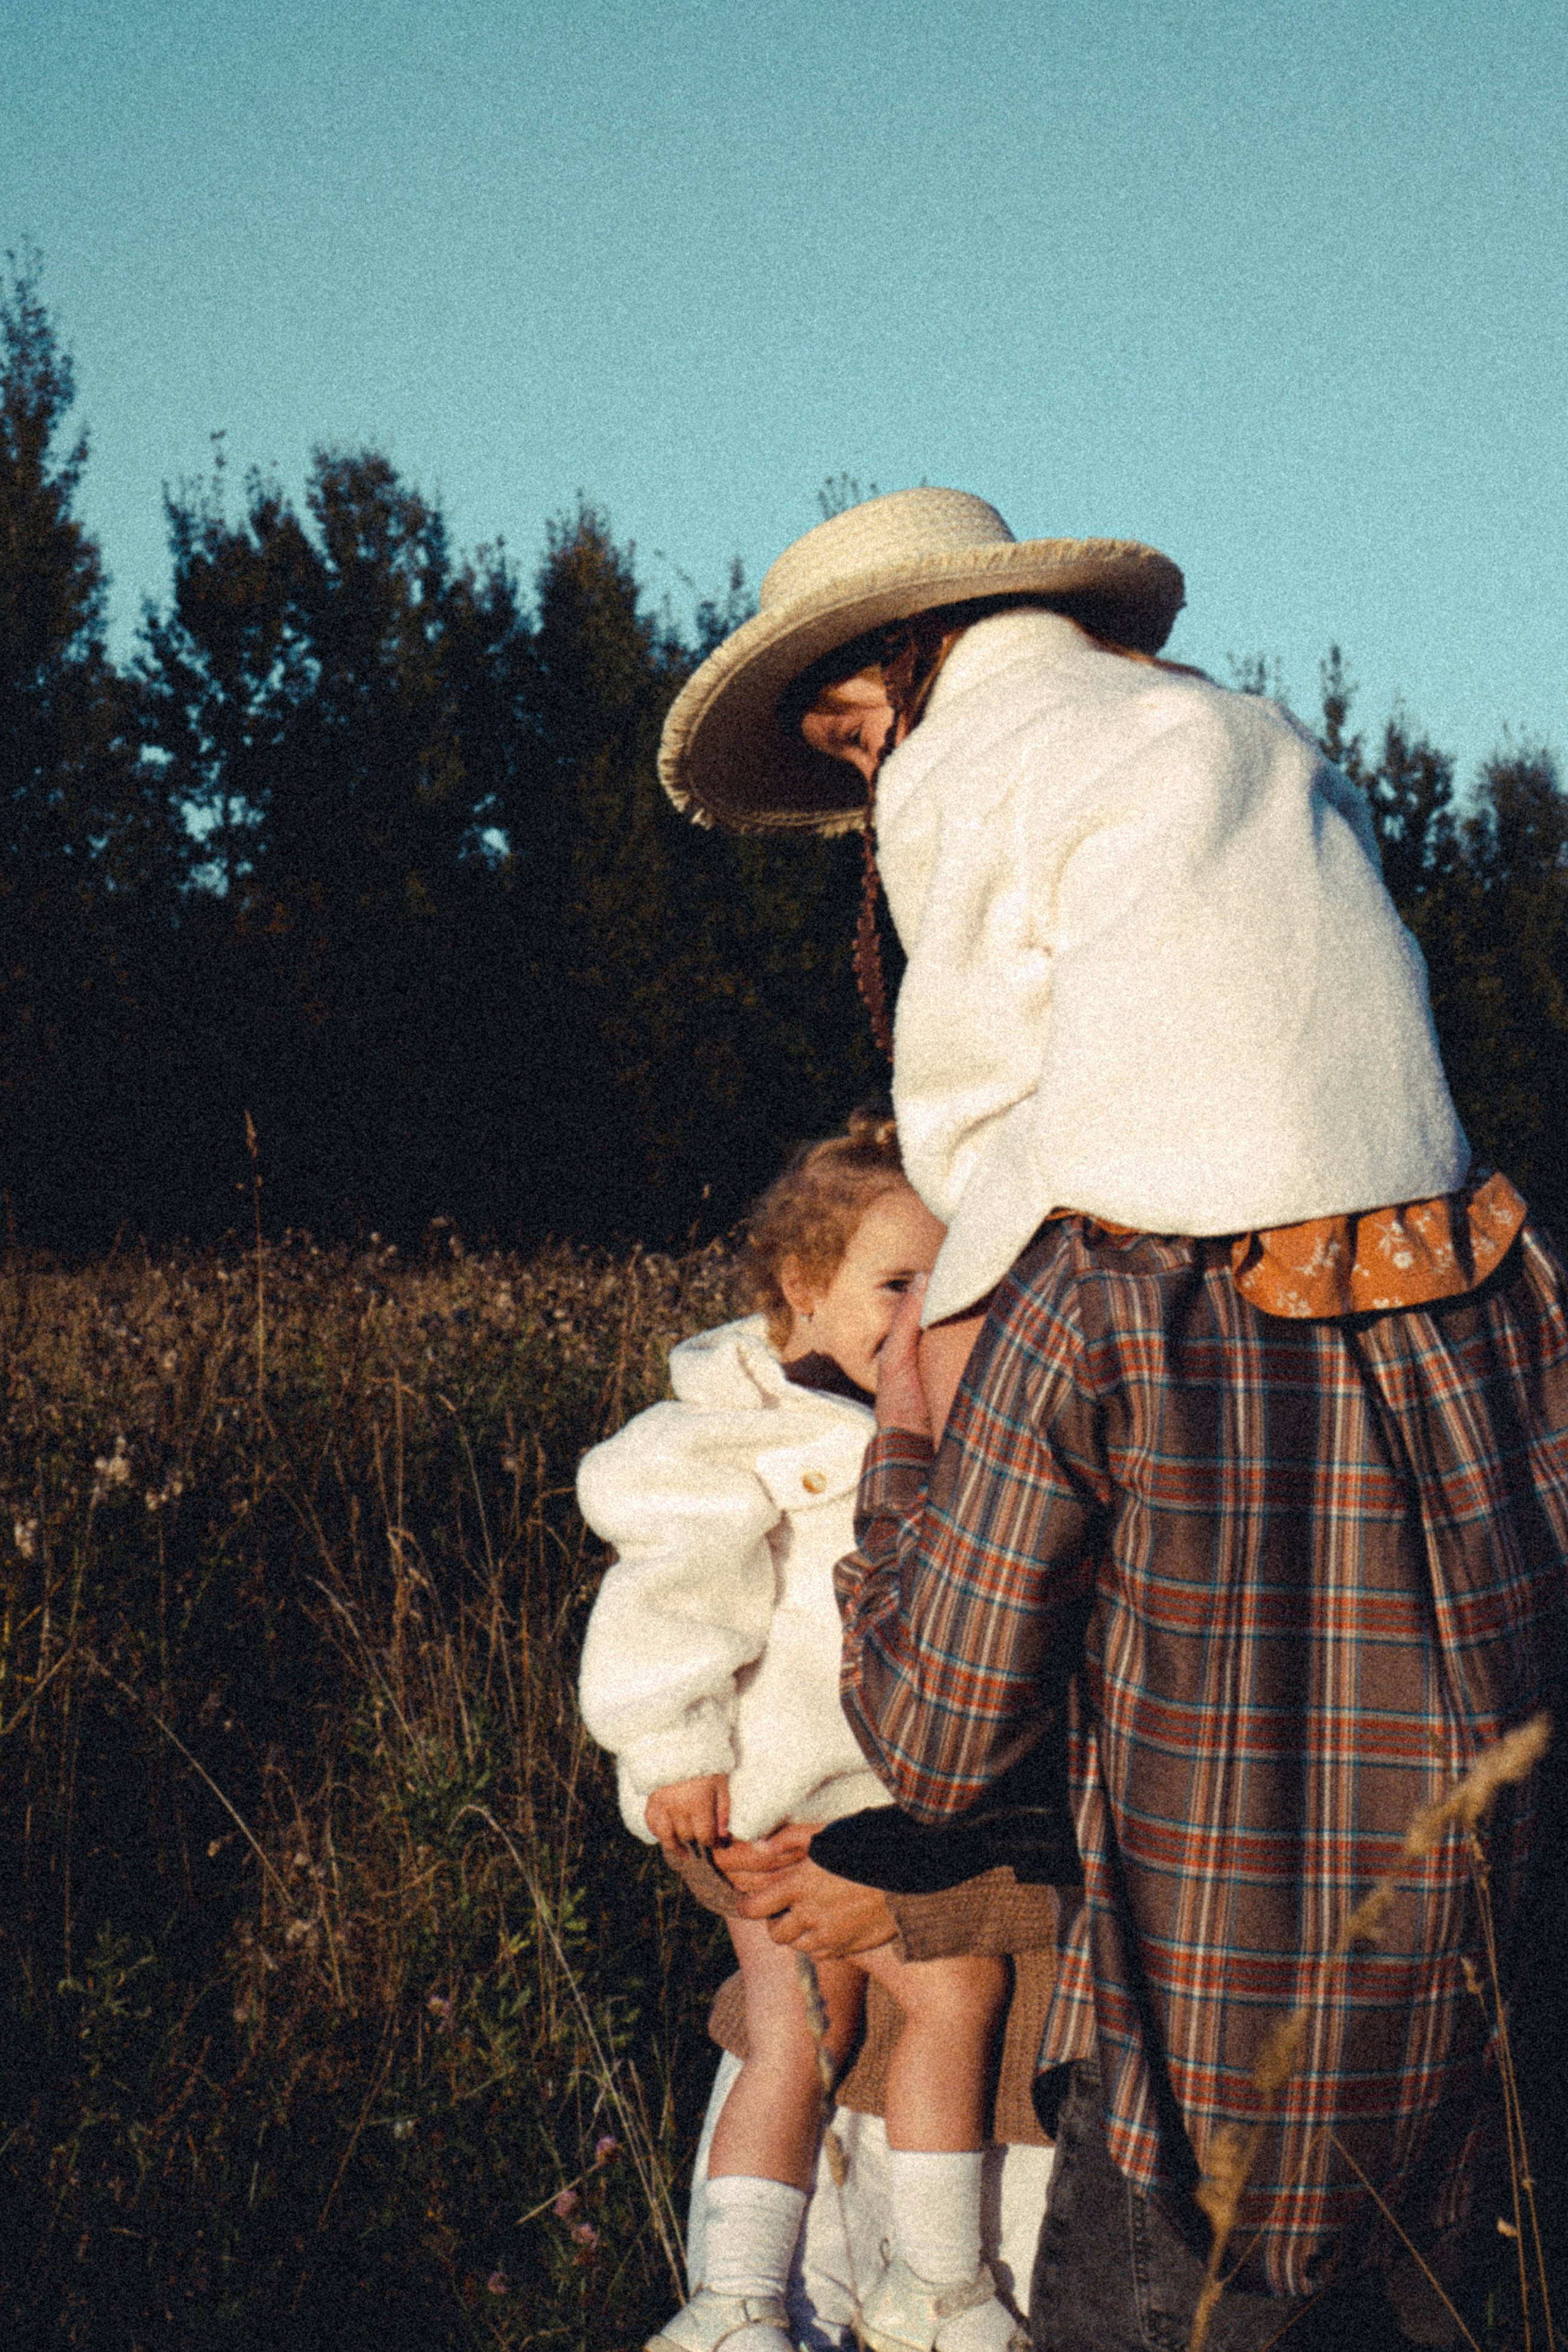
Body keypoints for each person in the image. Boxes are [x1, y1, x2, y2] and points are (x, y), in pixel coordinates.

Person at [655, 488, 1568, 2351]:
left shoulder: (1088, 1315)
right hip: (1474, 2137)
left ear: (924, 707)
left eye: (858, 730)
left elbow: (940, 1728)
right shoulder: (1516, 1287)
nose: (857, 771)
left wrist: (916, 1417)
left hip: (1190, 2173)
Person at [577, 1109, 1054, 2352]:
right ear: (801, 1285)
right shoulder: (731, 1432)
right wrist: (671, 1746)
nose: (924, 1314)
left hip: (878, 1809)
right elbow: (667, 1593)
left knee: (878, 2010)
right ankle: (770, 2297)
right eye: (896, 1283)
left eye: (950, 1285)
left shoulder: (957, 1415)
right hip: (776, 1797)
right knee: (839, 2017)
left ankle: (852, 2291)